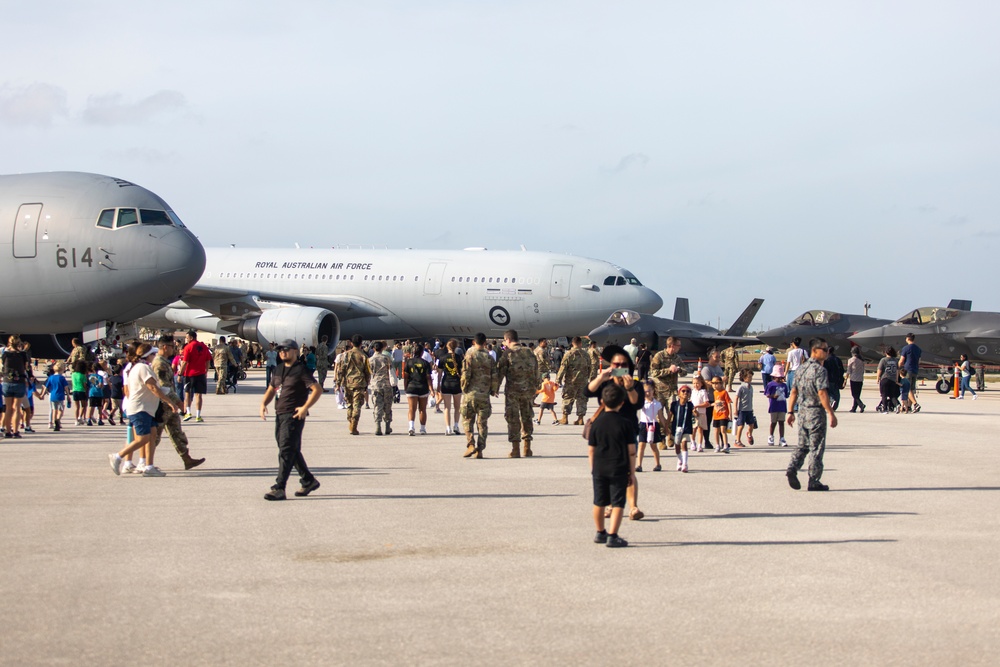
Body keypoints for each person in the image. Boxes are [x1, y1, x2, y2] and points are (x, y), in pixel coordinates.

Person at [586, 345, 645, 521]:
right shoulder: (605, 382)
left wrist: (629, 389)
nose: (619, 368)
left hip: (627, 431)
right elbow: (587, 391)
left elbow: (637, 404)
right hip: (606, 432)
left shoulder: (635, 384)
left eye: (622, 365)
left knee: (629, 471)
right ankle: (611, 505)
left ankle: (633, 507)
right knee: (607, 471)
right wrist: (601, 377)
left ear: (629, 366)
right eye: (615, 365)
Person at [259, 339, 323, 500]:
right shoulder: (279, 369)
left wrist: (305, 407)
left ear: (295, 351)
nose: (282, 352)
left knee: (286, 450)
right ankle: (308, 480)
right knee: (289, 449)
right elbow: (272, 388)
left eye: (286, 349)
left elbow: (317, 389)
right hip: (280, 413)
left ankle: (279, 487)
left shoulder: (301, 370)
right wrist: (263, 403)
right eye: (280, 349)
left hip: (294, 415)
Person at [108, 344, 184, 478]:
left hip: (147, 409)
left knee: (152, 436)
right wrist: (170, 401)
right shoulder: (143, 368)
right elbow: (152, 388)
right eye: (153, 354)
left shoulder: (141, 367)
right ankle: (118, 456)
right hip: (140, 408)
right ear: (147, 355)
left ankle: (149, 466)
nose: (155, 357)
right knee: (143, 438)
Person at [588, 383, 636, 549]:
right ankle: (613, 535)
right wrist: (631, 471)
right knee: (617, 503)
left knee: (599, 502)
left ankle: (600, 531)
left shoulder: (596, 423)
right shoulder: (625, 423)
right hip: (619, 467)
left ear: (602, 400)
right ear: (622, 403)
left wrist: (593, 469)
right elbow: (631, 450)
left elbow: (591, 450)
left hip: (600, 467)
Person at [786, 338, 838, 491]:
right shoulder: (820, 371)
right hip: (815, 413)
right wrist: (831, 413)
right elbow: (822, 392)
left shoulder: (801, 369)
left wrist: (790, 411)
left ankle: (792, 468)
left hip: (802, 413)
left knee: (802, 445)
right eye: (824, 349)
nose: (827, 352)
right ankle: (814, 480)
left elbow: (793, 391)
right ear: (814, 351)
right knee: (816, 447)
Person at [151, 336, 205, 470]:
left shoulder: (164, 361)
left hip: (170, 406)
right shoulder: (160, 364)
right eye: (171, 347)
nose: (174, 349)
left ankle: (187, 459)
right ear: (165, 347)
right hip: (163, 406)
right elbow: (164, 387)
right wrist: (179, 403)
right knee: (154, 436)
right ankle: (140, 461)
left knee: (176, 432)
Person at [497, 330, 540, 457]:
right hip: (528, 391)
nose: (504, 343)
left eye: (504, 341)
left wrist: (495, 388)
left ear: (508, 340)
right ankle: (527, 448)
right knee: (527, 417)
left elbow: (500, 372)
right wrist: (535, 388)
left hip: (513, 393)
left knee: (513, 419)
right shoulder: (529, 352)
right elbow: (536, 371)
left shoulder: (508, 354)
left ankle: (515, 449)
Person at [460, 332, 499, 458]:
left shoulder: (470, 355)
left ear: (474, 342)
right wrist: (493, 390)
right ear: (484, 343)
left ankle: (470, 443)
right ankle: (480, 450)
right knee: (482, 424)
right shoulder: (489, 358)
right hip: (484, 395)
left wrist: (464, 387)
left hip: (471, 394)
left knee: (467, 420)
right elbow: (495, 376)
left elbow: (466, 374)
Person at [648, 336, 686, 450]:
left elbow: (684, 371)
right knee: (659, 417)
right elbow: (653, 372)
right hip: (659, 391)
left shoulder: (677, 358)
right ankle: (662, 439)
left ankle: (670, 435)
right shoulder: (659, 356)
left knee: (672, 414)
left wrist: (678, 369)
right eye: (678, 345)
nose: (680, 347)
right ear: (672, 346)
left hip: (672, 391)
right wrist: (668, 370)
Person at [335, 334, 371, 435]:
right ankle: (354, 425)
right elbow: (367, 372)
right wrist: (367, 383)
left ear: (351, 343)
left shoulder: (345, 355)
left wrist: (338, 383)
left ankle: (350, 421)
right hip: (359, 383)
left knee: (350, 404)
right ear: (361, 343)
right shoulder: (364, 356)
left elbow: (340, 370)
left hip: (348, 383)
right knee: (357, 405)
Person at [556, 337, 591, 425]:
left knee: (567, 398)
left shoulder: (569, 354)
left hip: (571, 381)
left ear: (572, 343)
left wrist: (558, 379)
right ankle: (580, 419)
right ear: (580, 343)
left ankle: (565, 418)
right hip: (583, 381)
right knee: (582, 399)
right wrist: (588, 378)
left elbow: (563, 367)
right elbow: (590, 367)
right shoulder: (586, 354)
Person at [179, 330, 211, 422]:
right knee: (199, 395)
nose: (186, 339)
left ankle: (188, 412)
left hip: (190, 374)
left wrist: (180, 373)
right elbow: (208, 360)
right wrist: (206, 371)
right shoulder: (204, 346)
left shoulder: (188, 347)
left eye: (187, 337)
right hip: (201, 373)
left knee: (187, 393)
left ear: (191, 338)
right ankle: (198, 415)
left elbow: (184, 362)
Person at [403, 344, 432, 436]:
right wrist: (431, 389)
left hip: (411, 387)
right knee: (422, 409)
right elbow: (428, 377)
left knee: (412, 409)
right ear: (422, 353)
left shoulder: (409, 362)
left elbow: (406, 377)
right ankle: (422, 429)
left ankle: (411, 427)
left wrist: (405, 387)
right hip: (423, 387)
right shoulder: (425, 363)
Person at [636, 380, 663, 472]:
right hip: (643, 424)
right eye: (645, 391)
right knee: (641, 445)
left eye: (649, 390)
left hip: (653, 425)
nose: (647, 393)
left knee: (653, 446)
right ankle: (639, 465)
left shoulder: (657, 404)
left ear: (653, 391)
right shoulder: (642, 403)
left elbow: (661, 417)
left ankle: (658, 464)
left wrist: (666, 428)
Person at [437, 339, 463, 435]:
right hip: (456, 383)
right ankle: (456, 425)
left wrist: (439, 384)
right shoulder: (459, 357)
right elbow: (462, 371)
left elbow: (439, 373)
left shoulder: (442, 357)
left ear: (447, 347)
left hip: (446, 383)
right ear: (456, 347)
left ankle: (448, 428)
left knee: (447, 407)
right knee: (457, 407)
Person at [369, 341, 395, 435]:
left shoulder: (370, 360)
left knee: (377, 406)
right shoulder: (386, 358)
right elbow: (391, 369)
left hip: (376, 385)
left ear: (374, 349)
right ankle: (387, 427)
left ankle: (378, 426)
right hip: (387, 385)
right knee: (387, 406)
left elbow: (369, 372)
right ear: (382, 348)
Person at [669, 385, 695, 472]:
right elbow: (670, 416)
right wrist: (666, 427)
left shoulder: (690, 405)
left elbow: (696, 415)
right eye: (683, 391)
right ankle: (680, 459)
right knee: (677, 447)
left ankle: (685, 464)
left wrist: (696, 413)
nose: (685, 393)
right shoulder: (674, 404)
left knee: (684, 444)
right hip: (675, 428)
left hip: (686, 428)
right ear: (679, 393)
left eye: (688, 392)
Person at [39, 362, 68, 431]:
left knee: (54, 409)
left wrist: (42, 394)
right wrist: (68, 395)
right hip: (60, 395)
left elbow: (46, 387)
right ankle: (58, 420)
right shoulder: (62, 378)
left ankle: (54, 422)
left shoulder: (51, 378)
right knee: (61, 409)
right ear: (62, 370)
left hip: (52, 395)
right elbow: (66, 388)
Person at [765, 367, 788, 446]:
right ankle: (771, 436)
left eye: (780, 377)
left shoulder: (784, 385)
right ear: (774, 376)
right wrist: (772, 396)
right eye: (777, 377)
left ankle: (782, 438)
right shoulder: (770, 384)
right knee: (773, 422)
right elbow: (767, 394)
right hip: (774, 406)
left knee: (781, 422)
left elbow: (787, 395)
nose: (779, 378)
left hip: (782, 406)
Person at [732, 368, 756, 447]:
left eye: (751, 377)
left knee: (752, 424)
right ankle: (737, 440)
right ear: (744, 377)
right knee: (741, 425)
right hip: (742, 410)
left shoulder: (751, 387)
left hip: (749, 409)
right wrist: (735, 409)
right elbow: (736, 398)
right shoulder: (741, 387)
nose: (750, 378)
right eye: (749, 377)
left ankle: (749, 434)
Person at [899, 333, 922, 412]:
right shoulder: (918, 349)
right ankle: (908, 406)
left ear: (907, 339)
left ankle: (916, 404)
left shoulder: (906, 348)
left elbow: (901, 360)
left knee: (907, 389)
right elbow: (919, 361)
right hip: (915, 370)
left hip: (907, 369)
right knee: (912, 389)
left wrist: (899, 366)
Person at [690, 375, 712, 451]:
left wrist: (697, 406)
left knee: (700, 429)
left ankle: (699, 445)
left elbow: (706, 403)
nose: (696, 385)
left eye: (697, 383)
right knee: (693, 429)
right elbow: (691, 402)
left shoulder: (703, 392)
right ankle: (693, 442)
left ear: (701, 383)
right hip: (694, 413)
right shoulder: (693, 392)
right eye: (694, 383)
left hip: (701, 413)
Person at [711, 377, 732, 452]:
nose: (714, 385)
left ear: (721, 383)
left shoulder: (724, 392)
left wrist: (730, 414)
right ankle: (717, 445)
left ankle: (725, 445)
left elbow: (728, 403)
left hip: (723, 414)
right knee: (716, 430)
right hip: (716, 414)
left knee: (723, 430)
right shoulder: (714, 392)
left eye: (716, 383)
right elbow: (716, 402)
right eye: (713, 383)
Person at [876, 347, 900, 413]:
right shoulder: (896, 360)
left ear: (886, 352)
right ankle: (897, 405)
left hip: (885, 378)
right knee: (892, 395)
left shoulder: (883, 360)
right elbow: (898, 370)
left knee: (884, 395)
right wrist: (896, 379)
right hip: (892, 379)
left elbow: (880, 369)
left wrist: (878, 377)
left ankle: (885, 409)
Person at [846, 347, 866, 413]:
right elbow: (863, 370)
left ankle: (861, 405)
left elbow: (849, 370)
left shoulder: (851, 360)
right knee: (857, 394)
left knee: (854, 395)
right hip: (860, 379)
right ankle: (854, 408)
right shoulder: (862, 360)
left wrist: (845, 379)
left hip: (853, 379)